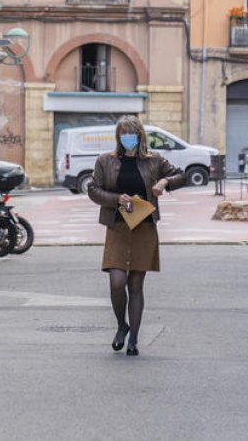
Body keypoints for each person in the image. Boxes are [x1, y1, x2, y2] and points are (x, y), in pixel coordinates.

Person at [87, 116, 184, 356]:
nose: (127, 137)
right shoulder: (105, 161)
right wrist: (115, 198)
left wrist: (163, 182)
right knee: (117, 282)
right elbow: (93, 190)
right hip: (118, 227)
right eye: (123, 133)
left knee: (136, 284)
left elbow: (181, 175)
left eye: (131, 133)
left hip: (144, 227)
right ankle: (122, 325)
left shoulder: (154, 161)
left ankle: (134, 340)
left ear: (140, 136)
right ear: (118, 136)